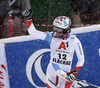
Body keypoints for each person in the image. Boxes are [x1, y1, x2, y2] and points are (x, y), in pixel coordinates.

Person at [22, 9, 85, 88]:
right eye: (55, 28)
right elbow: (33, 32)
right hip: (52, 70)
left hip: (67, 73)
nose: (56, 31)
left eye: (59, 29)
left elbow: (81, 59)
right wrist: (28, 18)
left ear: (66, 29)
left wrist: (74, 72)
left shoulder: (75, 41)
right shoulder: (50, 36)